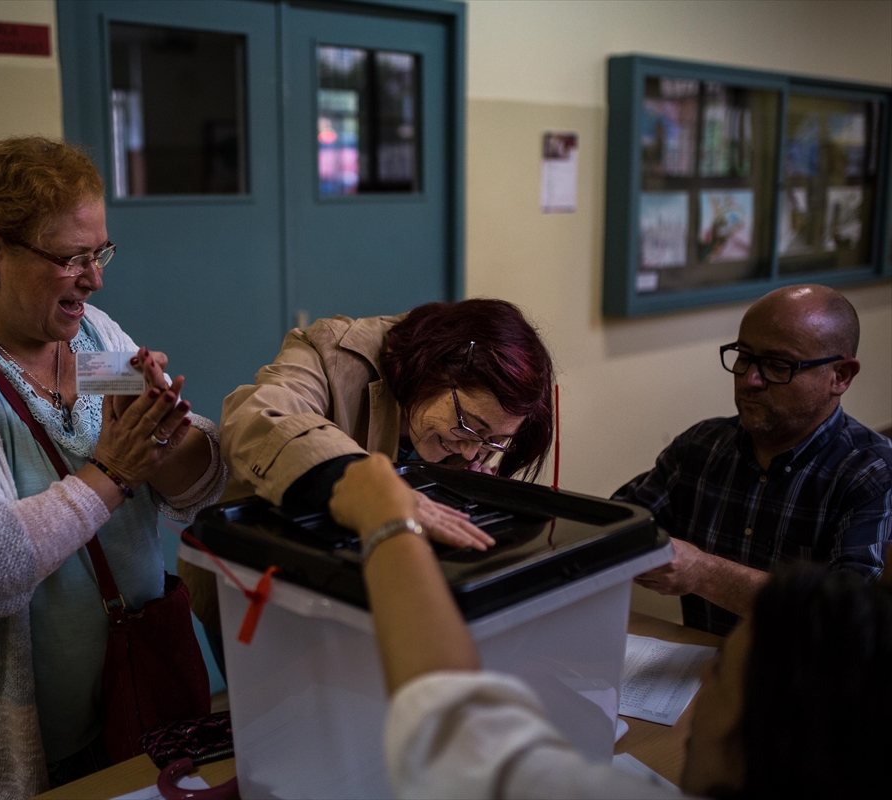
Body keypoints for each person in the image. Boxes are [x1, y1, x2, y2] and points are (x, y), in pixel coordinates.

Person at [0, 136, 227, 799]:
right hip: (18, 738)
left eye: (99, 253)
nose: (94, 280)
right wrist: (111, 476)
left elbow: (194, 486)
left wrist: (171, 435)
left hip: (133, 696)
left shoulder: (90, 339)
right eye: (72, 258)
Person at [329, 454, 891, 799]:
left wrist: (386, 518)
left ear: (751, 746)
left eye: (719, 673)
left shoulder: (867, 471)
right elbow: (610, 521)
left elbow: (459, 741)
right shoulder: (706, 443)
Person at [182, 300, 554, 657]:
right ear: (440, 367)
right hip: (256, 583)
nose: (473, 452)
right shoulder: (333, 351)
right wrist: (364, 485)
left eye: (491, 441)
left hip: (359, 602)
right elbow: (256, 416)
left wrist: (462, 488)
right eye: (470, 425)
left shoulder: (466, 434)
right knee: (276, 717)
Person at [615, 284, 891, 635]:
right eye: (743, 357)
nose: (750, 380)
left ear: (840, 376)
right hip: (705, 671)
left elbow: (845, 622)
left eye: (778, 366)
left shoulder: (873, 473)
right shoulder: (702, 446)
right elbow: (619, 524)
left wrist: (704, 573)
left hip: (803, 684)